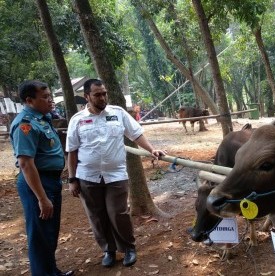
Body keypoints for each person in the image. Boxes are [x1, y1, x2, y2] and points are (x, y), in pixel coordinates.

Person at [65, 79, 166, 268]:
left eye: (104, 93)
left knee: (118, 213)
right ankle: (108, 251)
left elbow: (135, 134)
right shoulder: (77, 120)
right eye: (97, 94)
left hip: (116, 175)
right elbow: (72, 151)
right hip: (87, 176)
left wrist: (152, 149)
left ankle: (128, 248)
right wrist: (72, 179)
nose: (102, 97)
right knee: (96, 216)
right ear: (87, 97)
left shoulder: (118, 113)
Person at [9, 80, 74, 276]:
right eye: (44, 97)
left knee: (50, 232)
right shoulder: (25, 124)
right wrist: (42, 198)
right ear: (29, 100)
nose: (50, 101)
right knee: (39, 235)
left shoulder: (42, 118)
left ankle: (51, 271)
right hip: (37, 184)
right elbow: (26, 164)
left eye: (49, 96)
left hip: (51, 181)